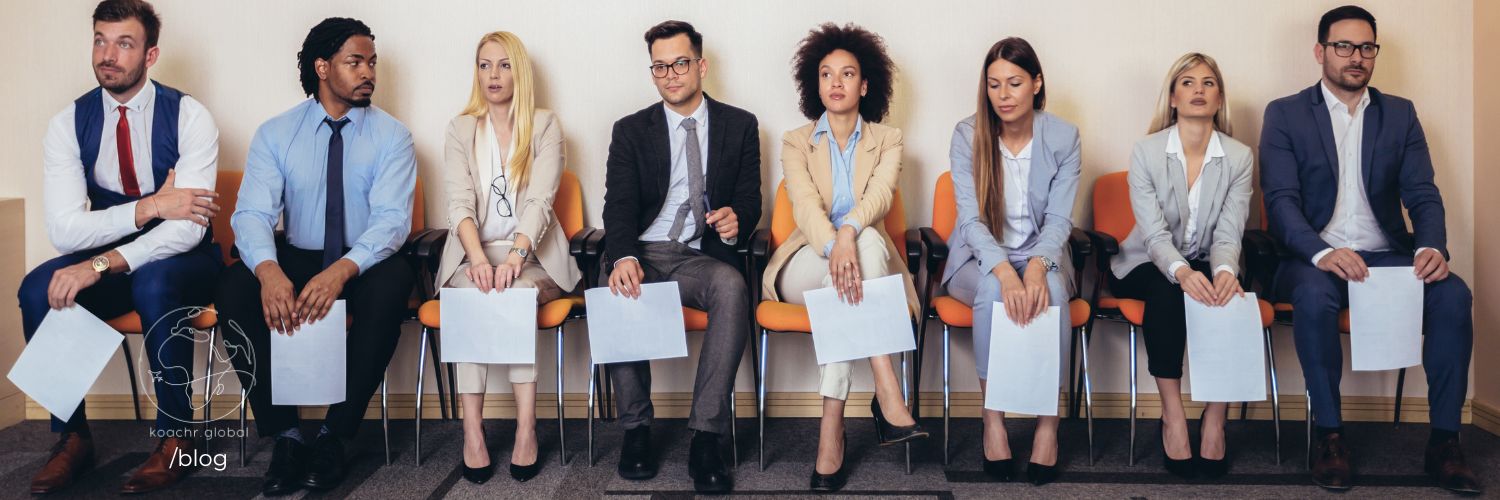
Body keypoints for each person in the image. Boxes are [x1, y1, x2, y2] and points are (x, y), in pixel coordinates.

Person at [1261, 5, 1479, 494]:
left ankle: (1444, 441)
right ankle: (1330, 436)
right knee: (1314, 298)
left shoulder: (1399, 113)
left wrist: (1432, 247)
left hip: (1385, 256)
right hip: (1311, 259)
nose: (1355, 57)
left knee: (1453, 295)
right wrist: (1321, 252)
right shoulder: (1286, 113)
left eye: (1366, 47)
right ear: (1320, 52)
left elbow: (1422, 192)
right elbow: (1280, 201)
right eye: (1343, 46)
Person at [17, 0, 223, 494]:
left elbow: (188, 228)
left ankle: (178, 437)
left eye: (124, 43)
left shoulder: (190, 116)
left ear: (151, 55)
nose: (108, 55)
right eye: (100, 40)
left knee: (153, 280)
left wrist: (104, 260)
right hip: (107, 255)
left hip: (183, 260)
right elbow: (65, 231)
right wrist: (150, 206)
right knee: (37, 288)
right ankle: (72, 437)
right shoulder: (69, 122)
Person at [215, 17, 417, 496]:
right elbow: (250, 215)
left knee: (393, 283)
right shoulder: (276, 133)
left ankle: (333, 435)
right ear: (323, 67)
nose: (369, 71)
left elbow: (391, 222)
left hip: (360, 259)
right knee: (234, 288)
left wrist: (342, 271)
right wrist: (267, 271)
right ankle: (284, 435)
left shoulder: (393, 137)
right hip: (296, 255)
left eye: (372, 62)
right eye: (355, 62)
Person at [761, 22, 925, 493]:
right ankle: (884, 379)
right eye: (827, 74)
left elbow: (879, 197)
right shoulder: (796, 141)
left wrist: (850, 232)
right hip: (805, 261)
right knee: (860, 255)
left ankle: (831, 424)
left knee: (869, 243)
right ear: (815, 85)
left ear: (865, 84)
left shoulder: (888, 139)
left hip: (862, 260)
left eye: (847, 73)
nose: (836, 83)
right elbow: (806, 207)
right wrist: (837, 245)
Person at [600, 19, 761, 494]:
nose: (670, 74)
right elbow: (619, 205)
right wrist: (623, 255)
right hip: (644, 251)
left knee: (732, 286)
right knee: (618, 288)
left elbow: (750, 200)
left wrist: (738, 220)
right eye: (660, 66)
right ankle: (636, 431)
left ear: (701, 65)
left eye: (680, 63)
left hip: (697, 254)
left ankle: (706, 437)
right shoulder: (630, 130)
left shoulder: (740, 124)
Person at [434, 30, 582, 484]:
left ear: (520, 71)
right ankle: (472, 430)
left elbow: (541, 200)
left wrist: (515, 258)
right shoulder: (460, 129)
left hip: (534, 259)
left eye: (504, 65)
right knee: (475, 297)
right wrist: (478, 260)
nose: (493, 75)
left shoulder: (544, 124)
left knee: (512, 294)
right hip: (471, 256)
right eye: (484, 65)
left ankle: (525, 427)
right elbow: (458, 205)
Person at [941, 37, 1080, 486]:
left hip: (1044, 253)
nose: (1003, 95)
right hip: (979, 258)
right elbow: (970, 220)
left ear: (1036, 84)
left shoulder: (1063, 136)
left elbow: (1059, 220)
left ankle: (1047, 425)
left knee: (1053, 294)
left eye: (1014, 83)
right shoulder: (968, 135)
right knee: (990, 293)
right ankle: (993, 420)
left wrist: (1037, 267)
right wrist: (1004, 272)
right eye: (994, 85)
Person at [1108, 52, 1253, 479]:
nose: (1198, 91)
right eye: (1188, 83)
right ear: (1173, 96)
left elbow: (1229, 234)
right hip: (1145, 263)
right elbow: (1153, 235)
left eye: (1208, 83)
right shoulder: (1147, 151)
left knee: (1229, 295)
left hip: (1209, 259)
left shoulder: (1240, 157)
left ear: (1219, 97)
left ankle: (1214, 417)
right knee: (1170, 290)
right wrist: (1183, 272)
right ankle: (1173, 415)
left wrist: (1224, 273)